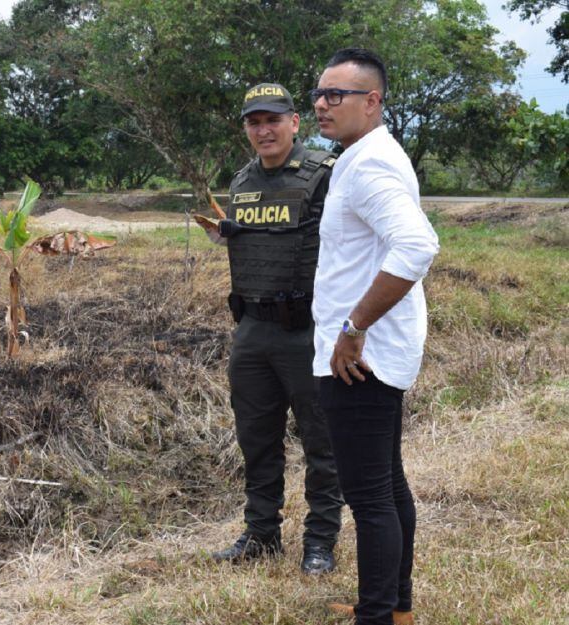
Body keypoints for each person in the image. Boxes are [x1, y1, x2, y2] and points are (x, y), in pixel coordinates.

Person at [310, 48, 439, 625]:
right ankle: (392, 607)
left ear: (372, 101)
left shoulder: (370, 165)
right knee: (386, 485)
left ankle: (379, 615)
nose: (320, 104)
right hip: (373, 354)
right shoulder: (360, 157)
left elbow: (417, 246)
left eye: (336, 94)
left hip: (361, 359)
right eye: (318, 93)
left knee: (370, 497)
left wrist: (354, 328)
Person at [208, 83, 344, 575]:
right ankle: (261, 533)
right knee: (256, 439)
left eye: (273, 120)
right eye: (254, 122)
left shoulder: (326, 175)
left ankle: (320, 542)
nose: (263, 130)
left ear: (295, 123)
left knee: (321, 441)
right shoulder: (242, 182)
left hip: (306, 331)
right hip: (252, 330)